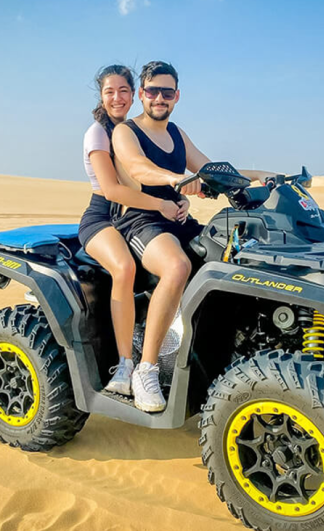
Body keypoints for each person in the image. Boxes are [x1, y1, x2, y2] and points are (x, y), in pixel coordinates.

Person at [112, 61, 274, 412]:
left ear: (177, 96)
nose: (159, 98)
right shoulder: (127, 131)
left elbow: (211, 169)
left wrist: (264, 175)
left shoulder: (176, 134)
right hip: (141, 221)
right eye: (152, 91)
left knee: (230, 256)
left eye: (166, 92)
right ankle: (147, 368)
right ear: (141, 94)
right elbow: (136, 167)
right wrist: (174, 180)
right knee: (176, 266)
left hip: (177, 219)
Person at [79, 64, 189, 397]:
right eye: (110, 92)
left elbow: (164, 174)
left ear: (133, 94)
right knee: (125, 267)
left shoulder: (141, 129)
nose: (117, 98)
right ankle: (127, 364)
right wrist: (162, 205)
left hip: (136, 212)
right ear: (101, 96)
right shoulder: (99, 133)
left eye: (123, 91)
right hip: (104, 216)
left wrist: (180, 197)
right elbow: (113, 190)